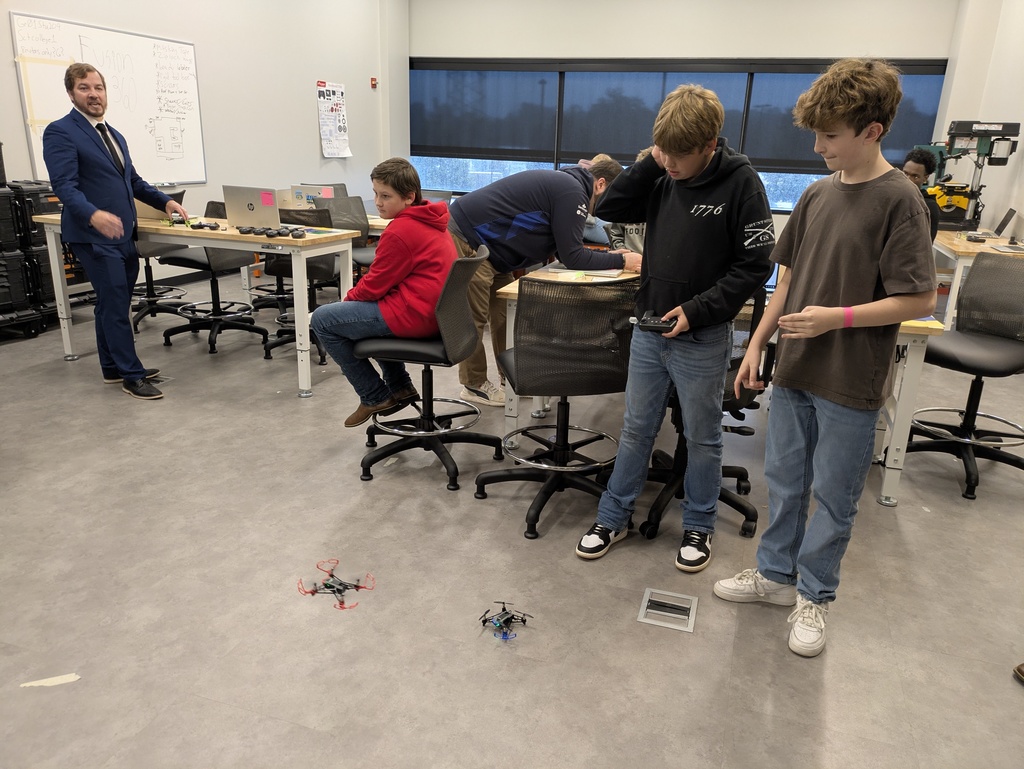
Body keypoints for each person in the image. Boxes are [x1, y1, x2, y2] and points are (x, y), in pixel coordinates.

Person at [714, 59, 937, 658]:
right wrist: (757, 342)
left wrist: (834, 317)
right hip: (795, 370)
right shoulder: (815, 195)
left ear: (873, 130)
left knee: (834, 497)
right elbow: (785, 285)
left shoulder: (901, 200)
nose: (817, 147)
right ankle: (775, 577)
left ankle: (816, 594)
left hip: (850, 377)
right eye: (814, 134)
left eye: (831, 136)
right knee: (785, 482)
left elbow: (918, 296)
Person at [574, 85, 775, 573]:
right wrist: (654, 158)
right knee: (637, 428)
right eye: (666, 153)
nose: (673, 166)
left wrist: (699, 309)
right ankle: (613, 517)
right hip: (648, 327)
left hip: (701, 335)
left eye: (682, 155)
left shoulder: (741, 182)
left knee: (703, 438)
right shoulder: (662, 174)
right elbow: (611, 207)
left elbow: (754, 265)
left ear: (711, 144)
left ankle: (699, 526)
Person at [42, 63, 188, 400]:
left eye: (98, 87)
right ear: (71, 93)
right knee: (116, 302)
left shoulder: (113, 134)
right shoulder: (61, 131)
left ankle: (111, 367)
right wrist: (93, 215)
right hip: (92, 235)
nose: (93, 94)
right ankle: (131, 375)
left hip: (123, 234)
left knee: (112, 303)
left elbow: (132, 181)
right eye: (84, 88)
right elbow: (64, 186)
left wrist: (164, 201)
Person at [446, 155, 639, 407]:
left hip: (494, 250)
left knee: (506, 314)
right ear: (600, 184)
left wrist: (609, 256)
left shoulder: (569, 185)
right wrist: (623, 263)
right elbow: (572, 256)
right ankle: (474, 384)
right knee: (475, 316)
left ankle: (511, 379)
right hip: (469, 238)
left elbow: (565, 247)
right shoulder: (573, 191)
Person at [311, 157, 456, 428]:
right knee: (361, 315)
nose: (378, 201)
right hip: (435, 314)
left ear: (409, 197)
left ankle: (374, 395)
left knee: (324, 320)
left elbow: (375, 284)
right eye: (376, 193)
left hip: (415, 315)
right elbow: (384, 283)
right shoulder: (432, 219)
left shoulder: (401, 230)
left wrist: (348, 301)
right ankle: (400, 387)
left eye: (386, 196)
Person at [604, 146, 654, 260]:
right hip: (630, 264)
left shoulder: (664, 201)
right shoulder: (628, 201)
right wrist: (626, 254)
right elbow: (616, 234)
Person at [902, 148, 942, 240]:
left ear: (925, 178)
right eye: (905, 173)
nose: (908, 179)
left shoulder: (928, 206)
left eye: (915, 176)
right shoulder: (895, 197)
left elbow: (924, 245)